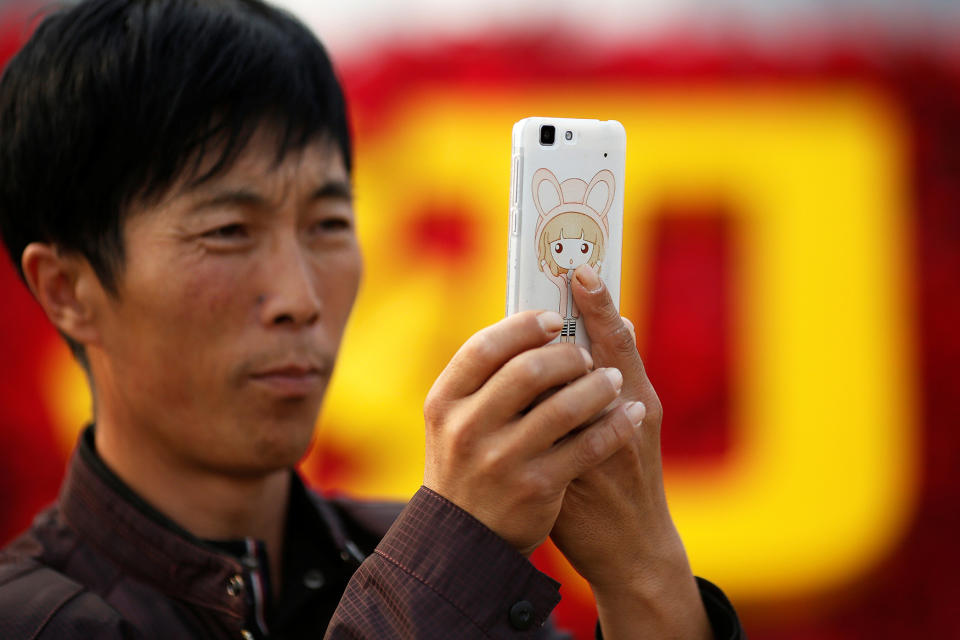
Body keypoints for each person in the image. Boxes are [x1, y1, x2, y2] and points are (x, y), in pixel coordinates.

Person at [0, 0, 744, 638]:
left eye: (327, 223)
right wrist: (456, 551)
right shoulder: (34, 617)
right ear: (66, 289)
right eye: (227, 231)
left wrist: (640, 565)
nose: (300, 296)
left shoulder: (410, 552)